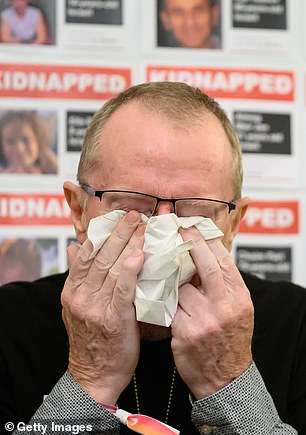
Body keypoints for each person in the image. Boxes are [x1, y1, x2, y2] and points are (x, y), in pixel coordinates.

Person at [0, 82, 305, 434]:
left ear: (233, 223)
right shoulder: (10, 325)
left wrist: (229, 382)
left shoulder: (296, 324)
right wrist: (89, 380)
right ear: (79, 211)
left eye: (194, 210)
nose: (162, 232)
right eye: (132, 206)